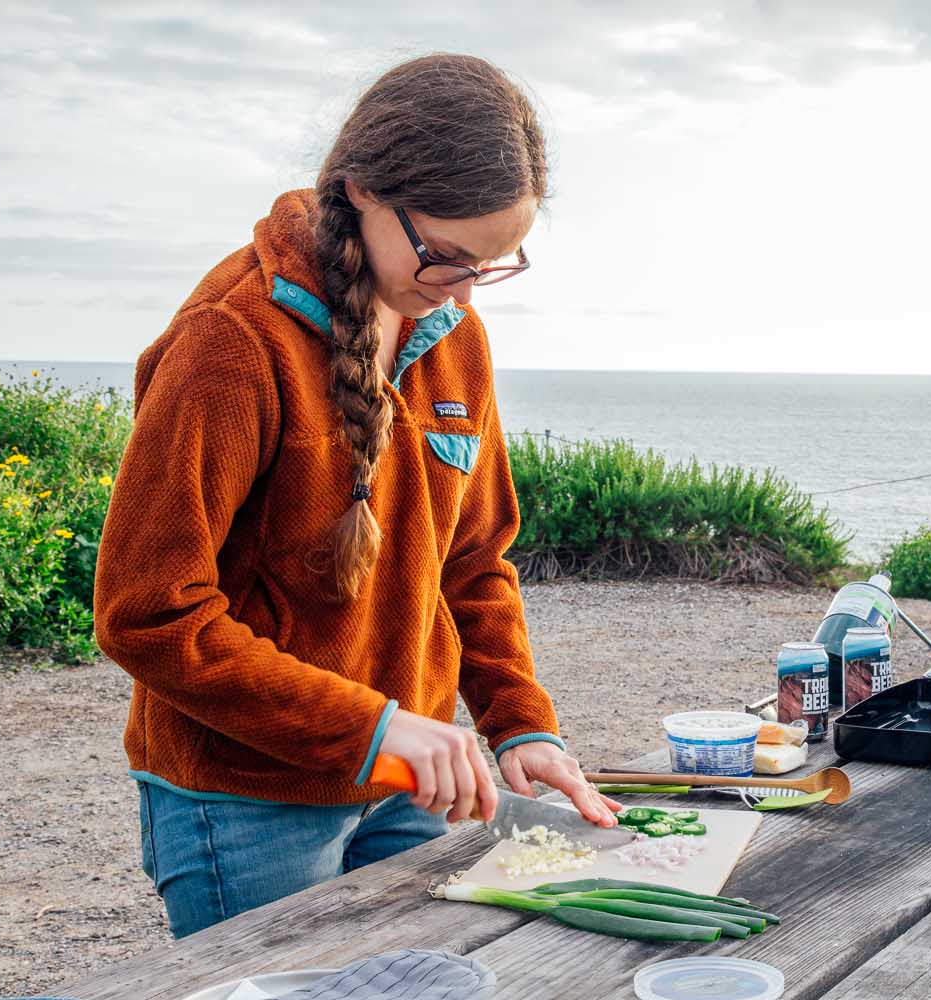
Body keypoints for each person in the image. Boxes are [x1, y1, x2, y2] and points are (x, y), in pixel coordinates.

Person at [93, 53, 617, 939]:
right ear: (364, 190)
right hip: (248, 799)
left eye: (491, 265)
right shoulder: (231, 342)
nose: (460, 291)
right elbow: (148, 612)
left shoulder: (455, 333)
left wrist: (523, 726)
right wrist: (371, 728)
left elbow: (477, 562)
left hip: (411, 785)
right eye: (447, 257)